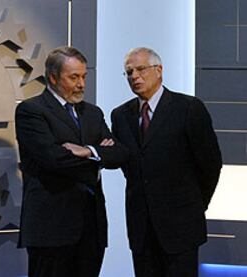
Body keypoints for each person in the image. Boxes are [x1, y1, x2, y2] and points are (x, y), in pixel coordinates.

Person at [15, 46, 129, 277]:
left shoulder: (93, 113)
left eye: (84, 76)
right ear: (53, 78)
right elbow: (53, 160)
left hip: (91, 228)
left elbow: (119, 154)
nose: (81, 84)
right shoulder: (32, 111)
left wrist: (87, 151)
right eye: (74, 77)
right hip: (50, 228)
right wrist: (98, 158)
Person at [111, 47, 222, 277]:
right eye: (129, 72)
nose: (134, 76)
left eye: (140, 69)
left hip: (181, 225)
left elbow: (210, 165)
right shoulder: (120, 115)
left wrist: (194, 204)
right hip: (141, 227)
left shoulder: (189, 108)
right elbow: (129, 167)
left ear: (159, 70)